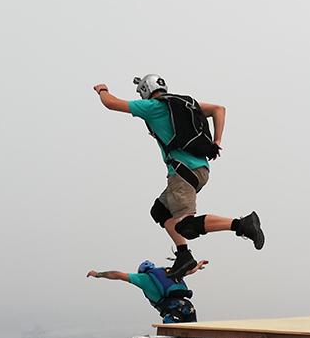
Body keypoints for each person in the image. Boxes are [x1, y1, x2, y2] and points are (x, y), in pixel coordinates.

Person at [94, 75, 263, 276]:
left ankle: (242, 225)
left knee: (186, 225)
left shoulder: (152, 107)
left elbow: (111, 103)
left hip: (181, 173)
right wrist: (217, 141)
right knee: (160, 211)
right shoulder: (185, 104)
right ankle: (184, 256)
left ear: (146, 90)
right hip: (199, 170)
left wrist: (102, 89)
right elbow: (219, 109)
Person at [87, 259, 208, 324]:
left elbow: (117, 275)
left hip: (171, 308)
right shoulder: (168, 273)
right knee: (193, 337)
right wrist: (198, 266)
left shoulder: (143, 277)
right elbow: (189, 271)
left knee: (171, 336)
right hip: (187, 305)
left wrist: (97, 274)